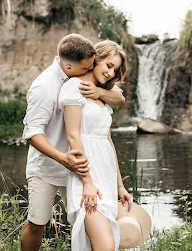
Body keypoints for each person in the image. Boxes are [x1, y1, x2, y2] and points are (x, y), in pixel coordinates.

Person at [21, 34, 125, 251]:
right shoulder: (45, 86)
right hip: (51, 164)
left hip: (81, 165)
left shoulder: (87, 77)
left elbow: (119, 98)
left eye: (92, 65)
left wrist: (99, 91)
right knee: (37, 223)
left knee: (81, 226)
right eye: (89, 66)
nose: (90, 70)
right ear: (69, 67)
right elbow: (32, 133)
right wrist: (63, 159)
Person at [59, 40, 132, 251]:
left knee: (101, 245)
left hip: (107, 177)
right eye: (108, 65)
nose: (111, 73)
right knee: (105, 246)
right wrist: (87, 182)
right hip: (88, 177)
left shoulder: (103, 96)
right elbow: (73, 137)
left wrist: (120, 186)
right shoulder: (74, 87)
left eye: (116, 70)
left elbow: (108, 142)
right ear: (95, 59)